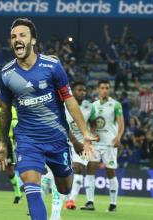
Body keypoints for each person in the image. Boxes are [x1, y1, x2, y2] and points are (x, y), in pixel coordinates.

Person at [0, 18, 95, 220]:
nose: (17, 40)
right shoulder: (7, 74)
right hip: (28, 139)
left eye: (22, 35)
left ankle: (56, 176)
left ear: (33, 40)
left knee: (65, 188)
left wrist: (85, 134)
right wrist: (3, 142)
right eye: (13, 37)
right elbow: (5, 110)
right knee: (30, 183)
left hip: (56, 138)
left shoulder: (52, 66)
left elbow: (70, 101)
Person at [80, 80, 124, 212]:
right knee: (90, 169)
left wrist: (118, 138)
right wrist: (89, 137)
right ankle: (90, 202)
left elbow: (121, 124)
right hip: (95, 143)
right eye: (103, 88)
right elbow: (89, 124)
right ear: (98, 90)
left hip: (109, 143)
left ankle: (113, 204)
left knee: (110, 171)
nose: (105, 90)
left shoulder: (115, 104)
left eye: (107, 88)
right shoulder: (92, 105)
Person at [64, 82, 92, 210]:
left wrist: (91, 136)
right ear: (73, 91)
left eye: (84, 90)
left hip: (83, 145)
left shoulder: (90, 106)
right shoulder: (65, 106)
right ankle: (65, 197)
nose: (83, 92)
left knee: (79, 168)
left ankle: (71, 200)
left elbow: (94, 121)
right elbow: (62, 125)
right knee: (64, 172)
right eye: (80, 90)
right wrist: (74, 141)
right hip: (66, 142)